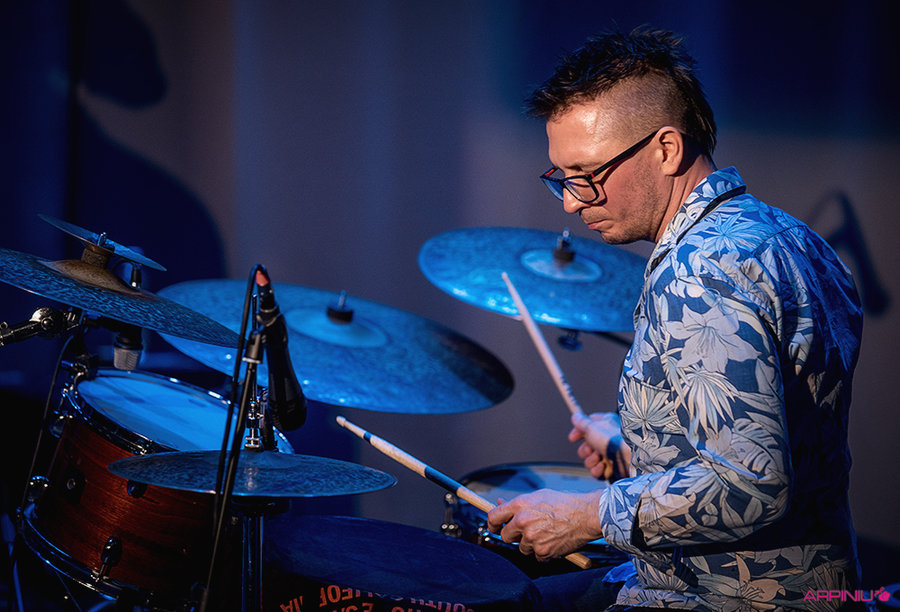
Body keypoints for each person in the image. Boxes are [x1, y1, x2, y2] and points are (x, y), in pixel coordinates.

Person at [486, 27, 863, 611]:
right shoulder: (791, 236)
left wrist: (589, 513)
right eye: (561, 177)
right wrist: (640, 447)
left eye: (586, 175)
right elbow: (783, 431)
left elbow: (752, 482)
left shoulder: (697, 271)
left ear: (666, 148)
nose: (571, 201)